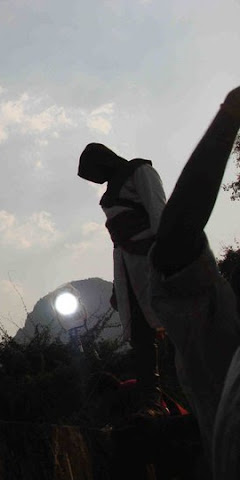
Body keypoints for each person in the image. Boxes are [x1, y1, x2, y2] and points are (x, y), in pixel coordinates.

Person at [149, 87, 240, 479]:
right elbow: (174, 248)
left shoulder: (218, 352)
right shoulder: (222, 350)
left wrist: (230, 115)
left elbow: (173, 246)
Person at [78, 142, 168, 413]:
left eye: (93, 173)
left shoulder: (140, 171)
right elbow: (119, 243)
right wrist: (118, 286)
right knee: (141, 337)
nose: (94, 180)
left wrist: (166, 256)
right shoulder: (109, 195)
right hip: (129, 269)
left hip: (154, 260)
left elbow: (159, 213)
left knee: (178, 323)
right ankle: (152, 400)